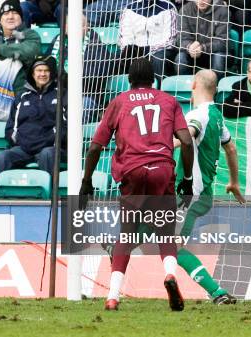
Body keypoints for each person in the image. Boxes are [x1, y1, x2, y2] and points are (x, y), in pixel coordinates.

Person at [80, 58, 195, 311]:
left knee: (127, 234)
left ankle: (112, 296)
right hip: (162, 170)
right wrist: (187, 180)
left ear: (130, 80)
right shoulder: (169, 101)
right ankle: (170, 275)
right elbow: (186, 141)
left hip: (132, 170)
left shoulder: (119, 101)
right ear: (154, 79)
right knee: (165, 232)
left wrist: (86, 180)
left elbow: (95, 146)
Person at [171, 70, 245, 304]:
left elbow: (186, 136)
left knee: (173, 247)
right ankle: (118, 247)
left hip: (190, 195)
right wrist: (234, 182)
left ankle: (217, 292)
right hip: (202, 194)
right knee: (155, 224)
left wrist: (150, 145)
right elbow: (231, 149)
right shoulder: (216, 115)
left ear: (193, 85)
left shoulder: (198, 114)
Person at [0, 56, 66, 188]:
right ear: (33, 73)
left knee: (47, 155)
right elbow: (10, 128)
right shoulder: (21, 96)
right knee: (3, 157)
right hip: (24, 148)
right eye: (39, 70)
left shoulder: (62, 94)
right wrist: (21, 141)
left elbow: (66, 127)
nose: (42, 74)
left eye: (46, 70)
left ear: (52, 73)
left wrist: (50, 140)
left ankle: (49, 199)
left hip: (50, 148)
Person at [49, 15, 111, 122]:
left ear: (87, 27)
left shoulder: (96, 44)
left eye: (81, 26)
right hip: (58, 92)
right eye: (72, 25)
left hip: (85, 95)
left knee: (81, 109)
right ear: (66, 27)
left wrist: (65, 77)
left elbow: (95, 74)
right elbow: (46, 64)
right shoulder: (58, 40)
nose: (76, 29)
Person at [110, 0, 179, 83]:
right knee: (117, 57)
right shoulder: (129, 9)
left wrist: (147, 50)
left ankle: (159, 92)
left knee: (159, 59)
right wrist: (135, 49)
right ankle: (125, 91)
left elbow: (170, 40)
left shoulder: (168, 7)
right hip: (136, 50)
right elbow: (124, 38)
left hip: (161, 50)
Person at [176, 0, 229, 80]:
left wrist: (203, 48)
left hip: (214, 53)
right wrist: (190, 47)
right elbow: (181, 39)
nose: (201, 1)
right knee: (181, 58)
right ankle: (186, 88)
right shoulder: (185, 10)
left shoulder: (223, 11)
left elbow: (222, 42)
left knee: (219, 57)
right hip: (192, 53)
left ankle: (216, 88)